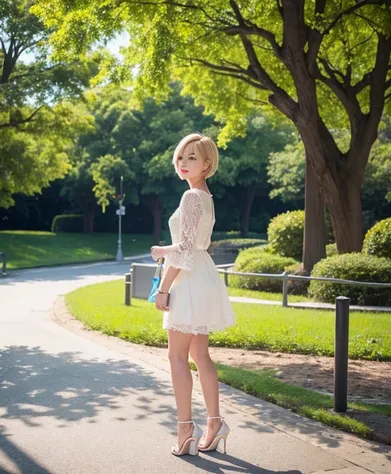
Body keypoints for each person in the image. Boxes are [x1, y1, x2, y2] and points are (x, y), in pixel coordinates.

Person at [150, 133, 236, 456]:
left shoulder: (190, 199)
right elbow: (196, 247)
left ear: (207, 164)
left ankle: (186, 429)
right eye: (181, 157)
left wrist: (163, 284)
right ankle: (215, 423)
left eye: (192, 159)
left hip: (187, 279)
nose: (184, 164)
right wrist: (170, 251)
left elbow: (184, 252)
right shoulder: (206, 197)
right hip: (204, 276)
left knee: (176, 356)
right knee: (200, 356)